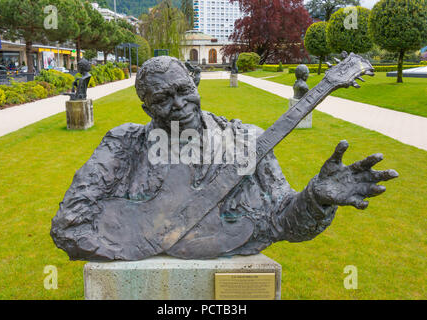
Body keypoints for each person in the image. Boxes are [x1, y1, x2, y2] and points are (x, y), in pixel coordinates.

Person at [51, 56, 398, 261]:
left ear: (195, 84)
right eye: (162, 99)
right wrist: (139, 241)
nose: (179, 105)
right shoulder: (124, 144)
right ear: (146, 108)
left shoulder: (246, 138)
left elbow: (283, 223)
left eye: (184, 91)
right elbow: (68, 226)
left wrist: (316, 199)